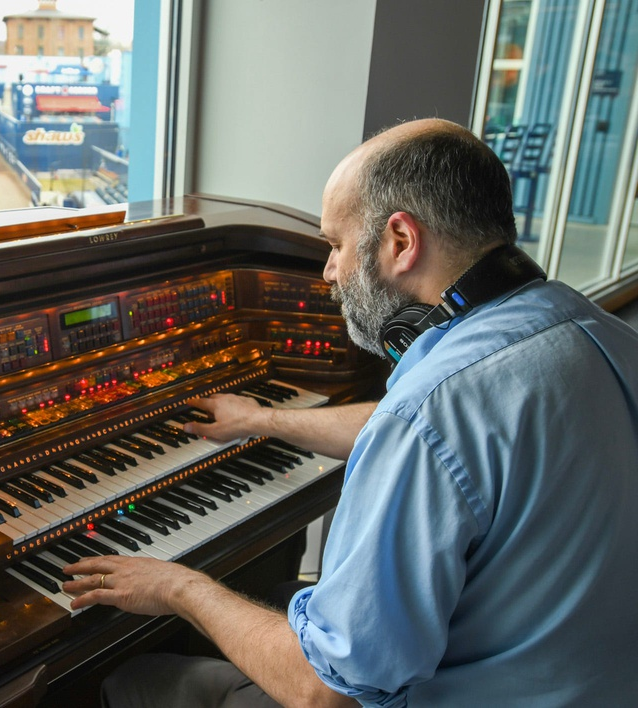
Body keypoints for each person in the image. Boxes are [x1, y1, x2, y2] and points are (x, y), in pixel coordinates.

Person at [62, 118, 638, 707]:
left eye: (336, 245)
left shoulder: (428, 413)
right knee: (281, 592)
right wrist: (262, 420)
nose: (328, 272)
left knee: (137, 681)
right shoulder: (596, 330)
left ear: (401, 242)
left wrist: (179, 587)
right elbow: (459, 440)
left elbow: (323, 694)